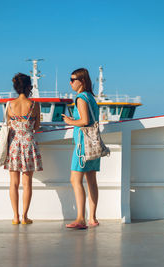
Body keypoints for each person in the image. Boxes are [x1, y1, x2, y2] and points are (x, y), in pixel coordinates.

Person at [62, 68, 100, 229]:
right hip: (93, 144)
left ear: (82, 81)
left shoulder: (80, 97)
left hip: (82, 145)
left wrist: (70, 121)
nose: (70, 82)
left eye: (73, 79)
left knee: (75, 180)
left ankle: (80, 219)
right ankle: (92, 217)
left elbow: (84, 121)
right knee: (91, 180)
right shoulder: (91, 97)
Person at [5, 73, 43, 225]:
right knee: (27, 183)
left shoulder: (10, 105)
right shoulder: (34, 105)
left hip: (14, 145)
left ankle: (15, 217)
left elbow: (9, 124)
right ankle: (25, 217)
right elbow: (37, 126)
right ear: (29, 87)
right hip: (28, 144)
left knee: (13, 183)